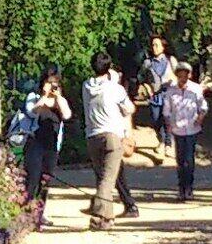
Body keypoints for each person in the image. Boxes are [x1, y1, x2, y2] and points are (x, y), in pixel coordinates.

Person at [80, 51, 140, 224]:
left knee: (102, 176)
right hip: (112, 136)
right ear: (109, 68)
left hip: (92, 135)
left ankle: (105, 212)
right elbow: (129, 108)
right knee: (108, 178)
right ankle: (103, 216)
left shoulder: (86, 86)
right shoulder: (115, 88)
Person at [158, 64, 210, 200]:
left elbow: (203, 106)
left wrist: (200, 118)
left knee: (189, 159)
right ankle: (181, 188)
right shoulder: (171, 91)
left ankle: (189, 188)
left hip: (192, 128)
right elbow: (167, 110)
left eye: (185, 75)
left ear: (189, 75)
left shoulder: (196, 89)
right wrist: (168, 124)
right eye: (180, 76)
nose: (182, 79)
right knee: (180, 160)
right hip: (178, 129)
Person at [21, 72, 72, 208]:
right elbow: (32, 112)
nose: (51, 87)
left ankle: (39, 211)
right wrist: (44, 96)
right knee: (33, 177)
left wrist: (58, 98)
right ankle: (27, 208)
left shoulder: (59, 101)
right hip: (35, 142)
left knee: (45, 179)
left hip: (52, 145)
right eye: (49, 83)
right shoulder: (34, 97)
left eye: (55, 84)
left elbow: (67, 115)